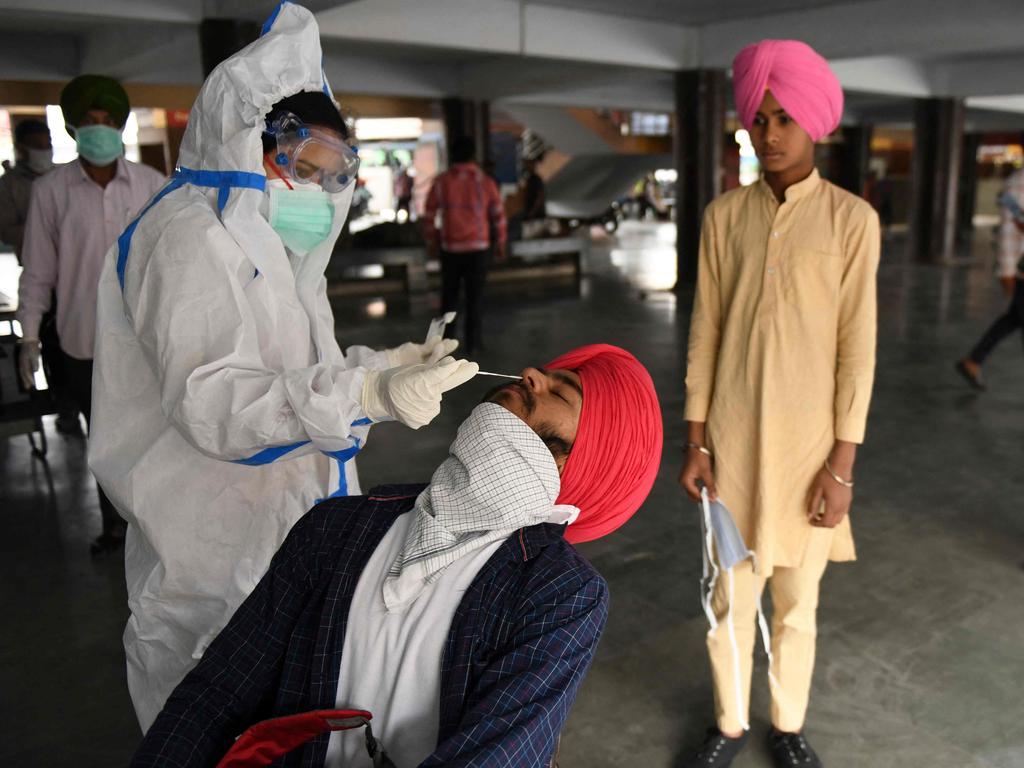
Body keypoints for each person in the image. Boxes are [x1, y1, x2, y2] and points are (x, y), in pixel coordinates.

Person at [89, 3, 477, 732]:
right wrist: (367, 393)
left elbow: (298, 371)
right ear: (248, 142)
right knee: (223, 726)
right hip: (213, 555)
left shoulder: (274, 248)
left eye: (332, 174)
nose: (314, 189)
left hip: (284, 535)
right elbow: (220, 405)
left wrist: (379, 364)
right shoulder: (188, 238)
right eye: (301, 164)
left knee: (292, 725)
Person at [131, 344, 663, 768]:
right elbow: (219, 692)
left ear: (591, 458)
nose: (530, 375)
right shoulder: (335, 528)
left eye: (559, 392)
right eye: (546, 373)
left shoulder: (560, 596)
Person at [678, 40, 879, 768]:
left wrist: (842, 466)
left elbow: (857, 350)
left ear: (815, 123)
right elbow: (705, 331)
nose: (769, 133)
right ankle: (729, 725)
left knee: (798, 606)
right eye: (759, 118)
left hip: (808, 455)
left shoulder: (853, 221)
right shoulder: (724, 217)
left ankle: (787, 725)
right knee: (731, 599)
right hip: (732, 448)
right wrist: (696, 441)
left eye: (785, 117)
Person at [15, 77, 165, 551]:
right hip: (81, 339)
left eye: (107, 121)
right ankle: (116, 527)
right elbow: (37, 269)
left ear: (120, 126)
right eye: (89, 121)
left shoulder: (152, 185)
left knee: (151, 436)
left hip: (145, 339)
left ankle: (159, 526)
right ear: (73, 126)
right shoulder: (51, 191)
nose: (99, 129)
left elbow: (171, 264)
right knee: (104, 442)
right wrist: (29, 335)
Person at [424, 135, 507, 355]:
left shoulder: (442, 181)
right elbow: (498, 214)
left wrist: (432, 239)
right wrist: (500, 241)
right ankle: (474, 344)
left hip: (450, 249)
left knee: (449, 298)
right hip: (478, 249)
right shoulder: (485, 181)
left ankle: (445, 345)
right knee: (475, 298)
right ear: (473, 156)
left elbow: (430, 213)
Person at [955, 167, 1024, 390]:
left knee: (1013, 319)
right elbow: (1008, 232)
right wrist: (1007, 271)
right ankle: (973, 361)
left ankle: (973, 362)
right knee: (1014, 318)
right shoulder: (1017, 184)